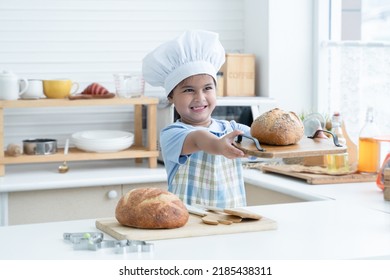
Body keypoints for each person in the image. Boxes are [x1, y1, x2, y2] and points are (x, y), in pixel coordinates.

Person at [142, 30, 253, 208]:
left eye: (207, 88)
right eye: (188, 90)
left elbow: (261, 141)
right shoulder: (172, 134)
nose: (200, 97)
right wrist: (219, 145)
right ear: (171, 97)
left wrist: (305, 137)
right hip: (188, 222)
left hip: (233, 219)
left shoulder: (231, 127)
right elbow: (199, 139)